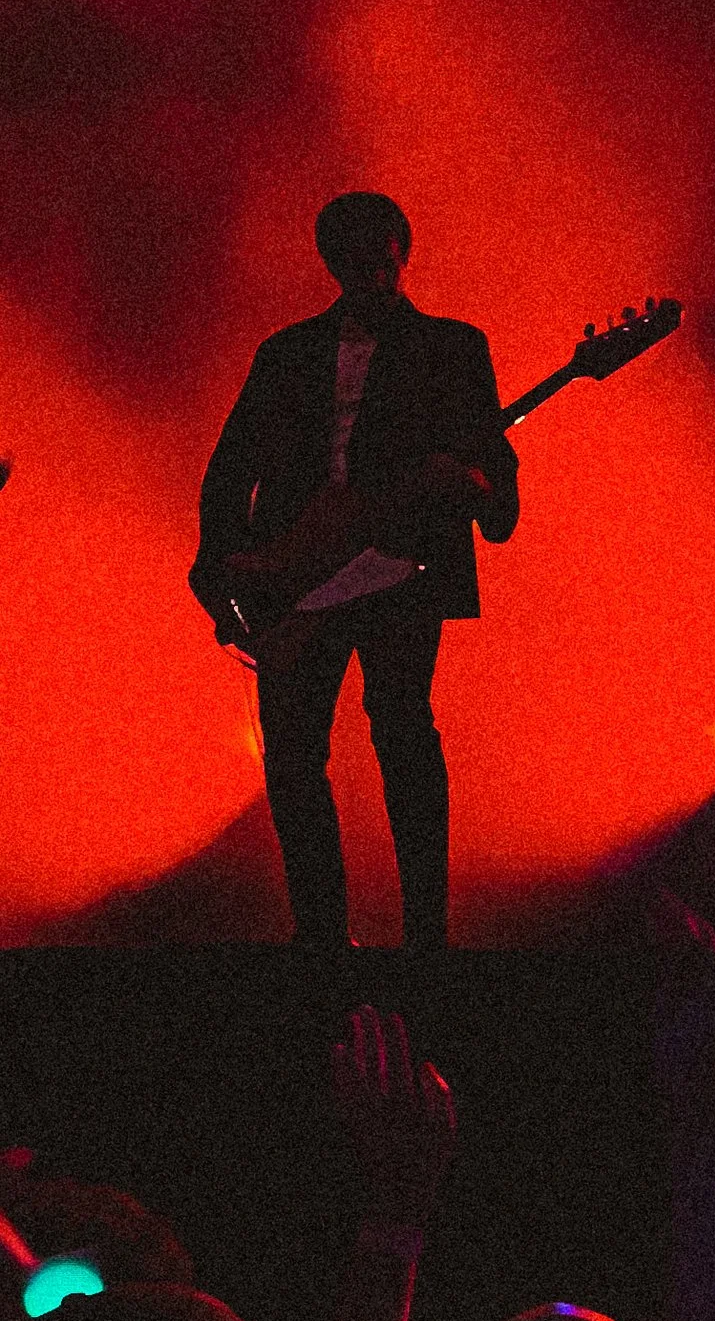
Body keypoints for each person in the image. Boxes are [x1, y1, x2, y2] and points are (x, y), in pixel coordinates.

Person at [189, 192, 519, 951]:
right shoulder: (286, 354)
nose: (366, 262)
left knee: (402, 729)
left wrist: (478, 494)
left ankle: (424, 939)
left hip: (401, 565)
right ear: (329, 260)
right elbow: (230, 465)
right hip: (297, 575)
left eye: (379, 247)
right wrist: (224, 564)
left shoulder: (452, 348)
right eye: (348, 249)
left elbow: (494, 465)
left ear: (404, 249)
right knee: (295, 754)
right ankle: (321, 941)